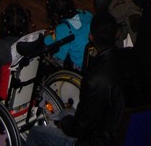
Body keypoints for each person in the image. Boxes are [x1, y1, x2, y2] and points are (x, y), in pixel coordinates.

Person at [24, 11, 125, 146]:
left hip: (96, 140)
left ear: (91, 37)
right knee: (63, 113)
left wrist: (64, 124)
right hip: (118, 127)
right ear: (117, 34)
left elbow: (81, 127)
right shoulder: (126, 58)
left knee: (35, 133)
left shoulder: (94, 79)